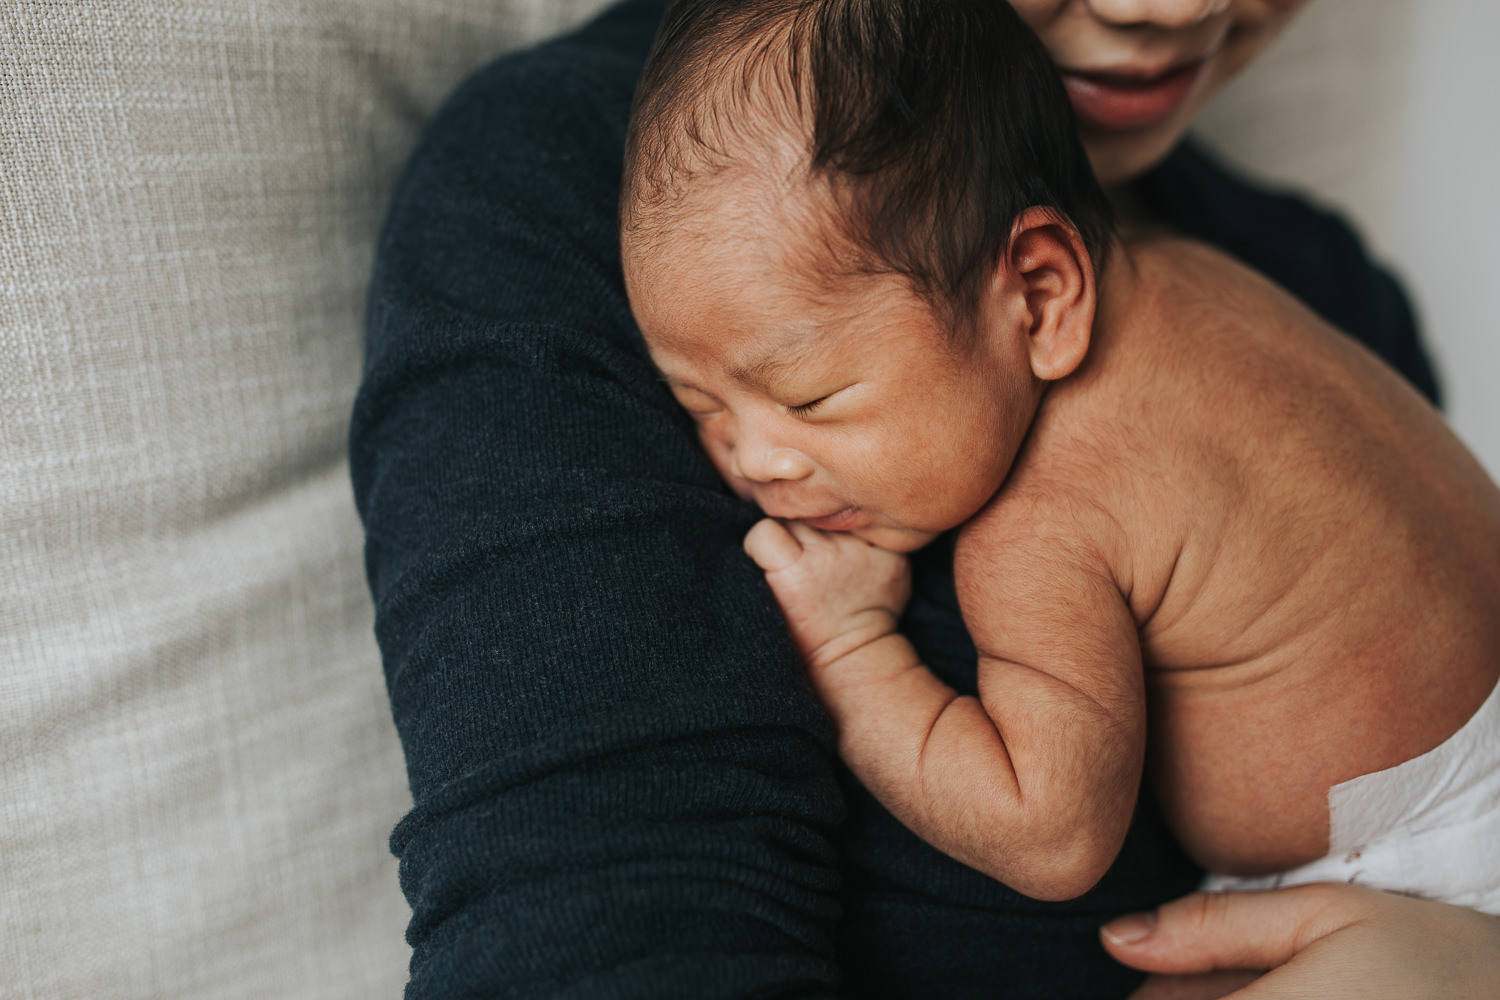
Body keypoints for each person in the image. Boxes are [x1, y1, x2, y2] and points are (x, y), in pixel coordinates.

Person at [351, 0, 1500, 996]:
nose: (753, 458)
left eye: (812, 396)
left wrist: (853, 649)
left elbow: (1049, 831)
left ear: (1042, 295)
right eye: (698, 406)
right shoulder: (577, 195)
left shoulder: (1060, 493)